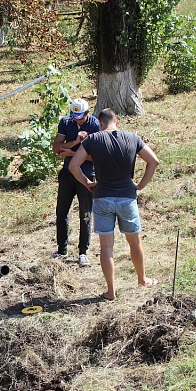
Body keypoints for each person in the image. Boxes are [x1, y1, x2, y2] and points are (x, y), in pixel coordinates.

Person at [67, 108, 159, 301]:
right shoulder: (133, 138)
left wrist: (88, 183)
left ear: (100, 124)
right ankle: (142, 280)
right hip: (127, 197)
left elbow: (73, 166)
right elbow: (153, 161)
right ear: (116, 121)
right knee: (135, 242)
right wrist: (140, 185)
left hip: (102, 198)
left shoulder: (93, 139)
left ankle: (111, 291)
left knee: (106, 248)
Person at [52, 98, 101, 267]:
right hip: (67, 174)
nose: (77, 120)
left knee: (85, 214)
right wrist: (75, 142)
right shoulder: (66, 122)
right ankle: (62, 249)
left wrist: (72, 153)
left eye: (80, 117)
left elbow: (95, 156)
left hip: (86, 174)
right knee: (61, 212)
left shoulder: (95, 125)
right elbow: (56, 148)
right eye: (75, 117)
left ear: (87, 113)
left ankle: (83, 252)